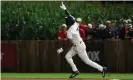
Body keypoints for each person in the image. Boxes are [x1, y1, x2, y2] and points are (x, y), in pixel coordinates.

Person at [60, 2, 107, 78]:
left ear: (69, 22)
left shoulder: (70, 31)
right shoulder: (75, 23)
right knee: (67, 56)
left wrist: (62, 49)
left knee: (87, 61)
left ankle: (102, 69)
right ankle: (75, 71)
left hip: (78, 46)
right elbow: (69, 15)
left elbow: (69, 43)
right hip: (77, 45)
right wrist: (65, 9)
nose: (66, 20)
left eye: (67, 20)